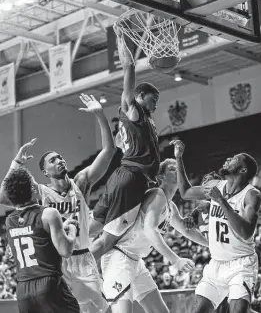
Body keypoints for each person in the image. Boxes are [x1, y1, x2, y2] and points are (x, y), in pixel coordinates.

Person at [0, 94, 115, 313]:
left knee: (104, 310)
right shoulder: (40, 192)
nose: (59, 160)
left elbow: (108, 152)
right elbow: (4, 196)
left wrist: (100, 115)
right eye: (53, 160)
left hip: (82, 257)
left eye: (60, 157)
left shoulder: (81, 182)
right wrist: (15, 163)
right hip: (57, 265)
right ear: (44, 171)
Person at [101, 158, 208, 313]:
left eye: (178, 167)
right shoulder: (157, 195)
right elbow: (150, 230)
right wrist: (175, 259)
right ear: (160, 177)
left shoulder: (170, 206)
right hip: (119, 258)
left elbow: (187, 230)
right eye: (172, 169)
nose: (177, 170)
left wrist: (212, 245)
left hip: (136, 261)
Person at [90, 24, 160, 259]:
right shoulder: (134, 110)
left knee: (92, 228)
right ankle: (72, 278)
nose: (155, 104)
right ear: (140, 96)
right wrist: (121, 37)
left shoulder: (143, 123)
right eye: (153, 99)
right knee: (107, 240)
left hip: (122, 176)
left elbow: (121, 143)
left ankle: (60, 252)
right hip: (131, 180)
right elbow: (128, 67)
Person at [173, 140, 261, 313]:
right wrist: (178, 158)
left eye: (235, 158)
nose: (229, 158)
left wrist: (221, 201)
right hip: (216, 265)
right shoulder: (216, 186)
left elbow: (245, 232)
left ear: (243, 170)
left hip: (241, 265)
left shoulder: (252, 195)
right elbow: (185, 192)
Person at [3, 165, 80, 313]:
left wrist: (59, 227)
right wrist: (72, 230)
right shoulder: (49, 213)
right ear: (32, 189)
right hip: (48, 285)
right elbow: (65, 250)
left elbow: (12, 252)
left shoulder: (9, 221)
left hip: (23, 290)